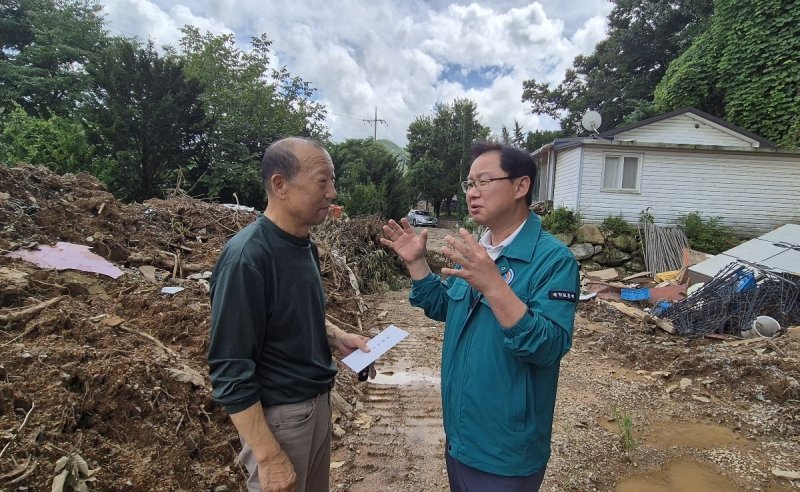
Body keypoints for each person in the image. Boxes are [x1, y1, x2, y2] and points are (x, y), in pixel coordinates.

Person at [381, 141, 579, 491]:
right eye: (469, 184)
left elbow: (548, 347)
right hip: (460, 436)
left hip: (506, 450)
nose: (473, 192)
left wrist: (494, 286)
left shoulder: (553, 260)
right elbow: (446, 306)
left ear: (521, 186)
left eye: (484, 181)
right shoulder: (479, 248)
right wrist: (417, 262)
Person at [208, 137, 372, 492]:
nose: (332, 192)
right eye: (322, 181)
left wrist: (336, 337)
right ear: (280, 185)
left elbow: (294, 313)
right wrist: (268, 456)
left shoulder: (304, 245)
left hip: (316, 406)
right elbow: (229, 367)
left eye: (333, 181)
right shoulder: (247, 258)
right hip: (280, 421)